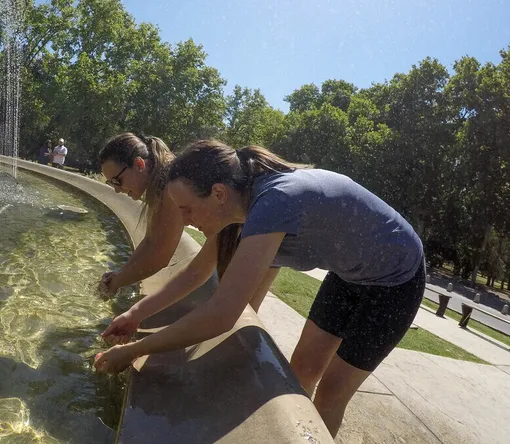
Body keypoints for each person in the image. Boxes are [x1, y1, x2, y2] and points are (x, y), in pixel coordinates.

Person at [94, 140, 425, 438]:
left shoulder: (274, 202)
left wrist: (132, 351)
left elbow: (223, 313)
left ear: (218, 193)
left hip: (396, 279)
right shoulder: (241, 204)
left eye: (187, 209)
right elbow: (194, 274)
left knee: (332, 393)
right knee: (302, 371)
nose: (186, 220)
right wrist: (135, 314)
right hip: (350, 275)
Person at [97, 133, 184, 296]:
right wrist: (120, 275)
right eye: (110, 183)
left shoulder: (171, 185)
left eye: (117, 181)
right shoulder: (159, 183)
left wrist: (116, 283)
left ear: (139, 164)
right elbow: (151, 240)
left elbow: (160, 257)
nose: (116, 189)